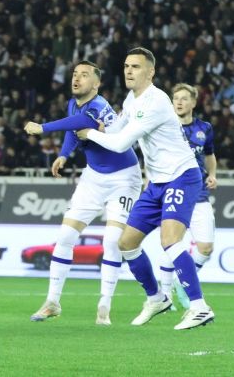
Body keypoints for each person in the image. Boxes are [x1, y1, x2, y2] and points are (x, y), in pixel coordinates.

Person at [79, 47, 214, 330]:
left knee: (170, 240)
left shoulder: (156, 101)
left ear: (150, 72)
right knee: (126, 243)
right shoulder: (132, 99)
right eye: (126, 66)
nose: (129, 71)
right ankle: (156, 298)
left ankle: (199, 307)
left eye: (136, 67)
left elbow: (120, 144)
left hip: (181, 175)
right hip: (156, 182)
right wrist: (100, 127)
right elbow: (116, 131)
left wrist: (88, 133)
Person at [23, 61, 141, 325]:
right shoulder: (73, 104)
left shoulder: (97, 106)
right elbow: (73, 130)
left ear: (96, 84)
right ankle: (52, 302)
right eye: (75, 74)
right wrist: (64, 155)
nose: (77, 78)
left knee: (112, 240)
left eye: (84, 75)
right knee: (65, 235)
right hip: (93, 178)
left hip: (124, 178)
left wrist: (43, 128)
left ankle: (104, 306)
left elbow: (80, 122)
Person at [164, 83, 216, 308]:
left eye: (184, 98)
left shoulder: (204, 128)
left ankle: (181, 282)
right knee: (171, 243)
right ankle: (164, 296)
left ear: (194, 102)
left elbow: (210, 154)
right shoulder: (165, 127)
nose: (179, 102)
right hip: (174, 192)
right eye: (176, 98)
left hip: (199, 195)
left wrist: (212, 174)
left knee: (206, 248)